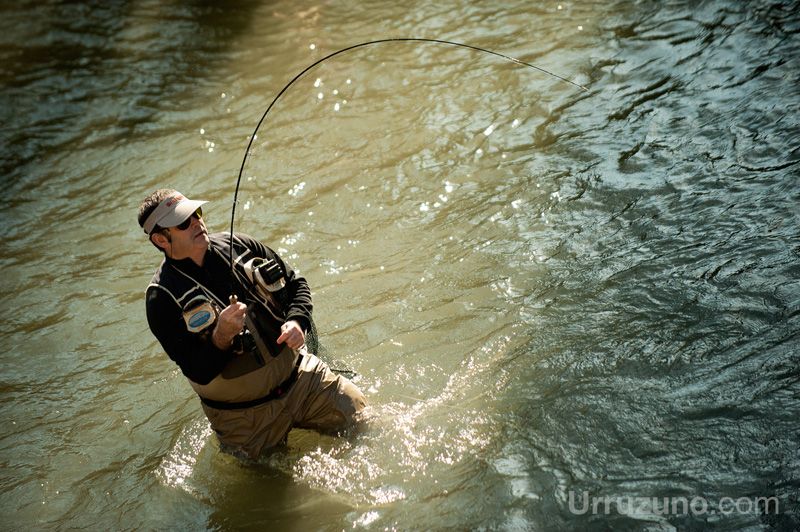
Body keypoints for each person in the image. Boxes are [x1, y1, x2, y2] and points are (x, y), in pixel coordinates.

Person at [138, 188, 366, 459]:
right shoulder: (160, 299)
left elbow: (297, 284)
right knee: (274, 494)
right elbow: (198, 371)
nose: (197, 222)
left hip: (302, 379)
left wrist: (296, 320)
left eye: (196, 213)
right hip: (243, 417)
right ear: (161, 239)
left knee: (368, 424)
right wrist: (221, 335)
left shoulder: (240, 244)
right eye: (184, 222)